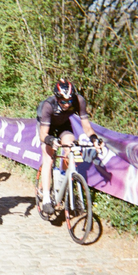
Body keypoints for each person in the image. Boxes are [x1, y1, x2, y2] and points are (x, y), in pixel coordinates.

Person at [36, 78, 103, 215]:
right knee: (48, 156)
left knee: (70, 149)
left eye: (69, 101)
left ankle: (61, 184)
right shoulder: (48, 106)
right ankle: (47, 198)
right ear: (57, 98)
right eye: (63, 102)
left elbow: (86, 126)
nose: (67, 104)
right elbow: (43, 134)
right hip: (46, 127)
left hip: (63, 125)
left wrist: (94, 139)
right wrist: (50, 140)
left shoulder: (79, 101)